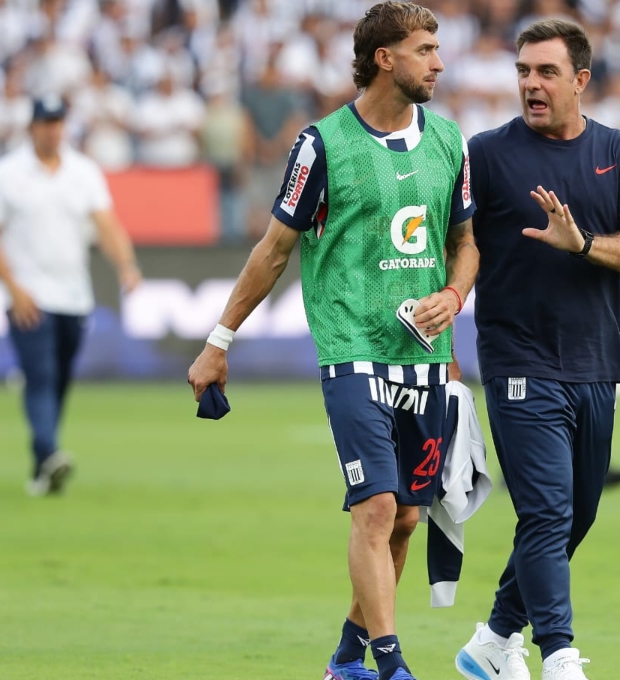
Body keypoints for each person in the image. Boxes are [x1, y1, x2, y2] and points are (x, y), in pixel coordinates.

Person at [186, 4, 478, 680]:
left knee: (406, 517)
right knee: (375, 507)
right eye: (425, 49)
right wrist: (219, 340)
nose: (438, 62)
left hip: (427, 362)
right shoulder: (321, 145)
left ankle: (347, 656)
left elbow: (466, 244)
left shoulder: (451, 142)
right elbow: (273, 250)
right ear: (385, 59)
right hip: (352, 353)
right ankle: (390, 664)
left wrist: (455, 297)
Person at [454, 19, 620, 680]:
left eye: (546, 73)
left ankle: (492, 639)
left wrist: (584, 244)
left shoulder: (619, 152)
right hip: (518, 360)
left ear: (580, 80)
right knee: (545, 511)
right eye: (523, 72)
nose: (531, 85)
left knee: (574, 517)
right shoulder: (486, 156)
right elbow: (455, 247)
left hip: (596, 363)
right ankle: (561, 657)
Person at [0, 96, 141, 496]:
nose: (52, 130)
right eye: (45, 123)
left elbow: (106, 223)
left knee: (60, 378)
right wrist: (13, 288)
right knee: (41, 375)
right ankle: (49, 451)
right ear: (31, 128)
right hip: (28, 294)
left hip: (74, 295)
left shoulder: (82, 171)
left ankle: (42, 465)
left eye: (57, 123)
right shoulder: (7, 173)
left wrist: (126, 264)